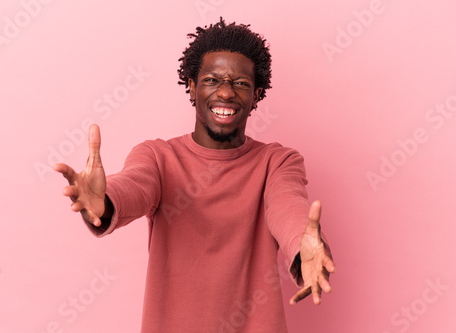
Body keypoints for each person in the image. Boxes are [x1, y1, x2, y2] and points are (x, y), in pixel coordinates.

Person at [54, 18, 335, 333]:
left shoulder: (278, 162)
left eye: (240, 83)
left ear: (256, 95)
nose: (226, 93)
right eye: (213, 79)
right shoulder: (159, 157)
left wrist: (303, 245)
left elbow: (287, 204)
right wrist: (105, 201)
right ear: (192, 86)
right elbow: (135, 185)